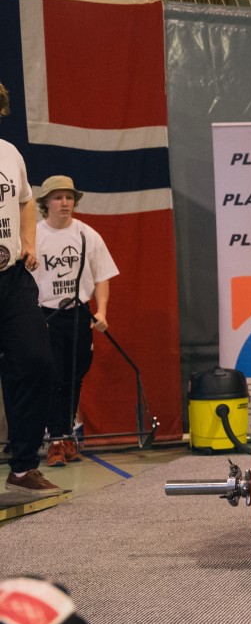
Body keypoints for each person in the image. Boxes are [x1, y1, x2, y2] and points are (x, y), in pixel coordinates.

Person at [0, 81, 61, 498]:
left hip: (11, 278)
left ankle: (22, 468)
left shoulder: (9, 152)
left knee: (37, 361)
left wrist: (28, 243)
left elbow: (24, 200)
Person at [32, 176, 119, 466]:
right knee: (52, 376)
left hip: (79, 313)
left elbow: (102, 276)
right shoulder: (35, 235)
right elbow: (24, 280)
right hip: (47, 314)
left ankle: (66, 436)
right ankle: (54, 440)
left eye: (69, 197)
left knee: (75, 376)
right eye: (57, 198)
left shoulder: (86, 235)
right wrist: (32, 316)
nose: (64, 203)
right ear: (45, 203)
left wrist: (102, 311)